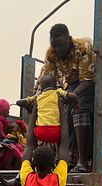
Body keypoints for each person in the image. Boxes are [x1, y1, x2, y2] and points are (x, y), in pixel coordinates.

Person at [39, 24, 95, 172]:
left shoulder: (82, 47)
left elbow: (86, 81)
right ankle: (69, 160)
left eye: (61, 45)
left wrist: (70, 96)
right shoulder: (51, 53)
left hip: (91, 81)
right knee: (62, 114)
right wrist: (39, 99)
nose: (58, 50)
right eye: (54, 46)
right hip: (70, 83)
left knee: (79, 110)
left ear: (68, 40)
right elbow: (45, 79)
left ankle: (83, 161)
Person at [17, 72, 79, 145]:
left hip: (40, 132)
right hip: (55, 131)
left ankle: (32, 150)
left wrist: (31, 103)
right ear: (55, 86)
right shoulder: (58, 92)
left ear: (42, 88)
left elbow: (19, 102)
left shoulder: (38, 97)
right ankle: (61, 153)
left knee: (31, 135)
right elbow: (73, 96)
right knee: (62, 141)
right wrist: (75, 106)